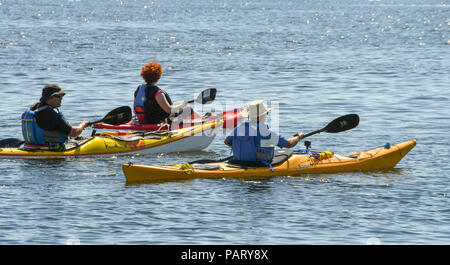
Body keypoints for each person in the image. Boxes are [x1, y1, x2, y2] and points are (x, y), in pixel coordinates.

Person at [224, 100, 305, 164]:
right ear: (260, 116)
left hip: (239, 162)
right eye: (266, 113)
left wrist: (243, 150)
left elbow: (226, 142)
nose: (267, 115)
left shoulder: (238, 128)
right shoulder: (264, 132)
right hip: (257, 163)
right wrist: (298, 137)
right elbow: (289, 144)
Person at [21, 84, 89, 149]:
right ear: (50, 97)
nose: (61, 98)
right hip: (50, 149)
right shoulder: (50, 114)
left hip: (30, 146)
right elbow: (73, 133)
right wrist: (83, 124)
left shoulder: (35, 108)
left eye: (62, 96)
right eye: (59, 96)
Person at [134, 61, 203, 125]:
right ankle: (203, 119)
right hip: (160, 121)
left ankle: (200, 118)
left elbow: (135, 110)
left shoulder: (138, 90)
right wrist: (182, 105)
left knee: (176, 105)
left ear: (144, 75)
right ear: (158, 76)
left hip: (145, 121)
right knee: (188, 109)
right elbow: (169, 110)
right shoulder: (158, 93)